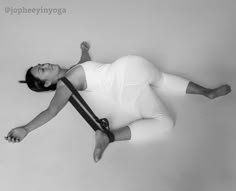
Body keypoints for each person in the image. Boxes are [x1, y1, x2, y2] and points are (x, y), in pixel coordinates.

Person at [5, 41, 231, 163]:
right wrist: (26, 128)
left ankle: (207, 92)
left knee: (164, 107)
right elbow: (51, 111)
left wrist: (84, 50)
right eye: (42, 70)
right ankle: (108, 136)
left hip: (126, 84)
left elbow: (84, 63)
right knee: (161, 96)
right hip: (124, 76)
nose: (46, 65)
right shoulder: (64, 85)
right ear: (46, 84)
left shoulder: (73, 70)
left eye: (42, 63)